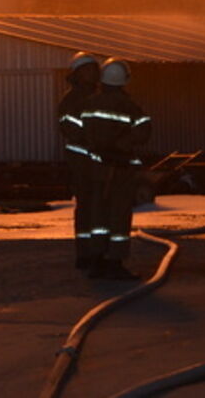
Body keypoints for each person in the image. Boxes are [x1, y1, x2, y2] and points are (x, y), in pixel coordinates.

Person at [79, 57, 151, 280]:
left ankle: (96, 261)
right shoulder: (127, 106)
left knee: (98, 215)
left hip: (97, 169)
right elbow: (144, 131)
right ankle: (115, 262)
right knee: (118, 216)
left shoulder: (90, 104)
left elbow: (83, 133)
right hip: (120, 170)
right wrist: (123, 143)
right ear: (124, 80)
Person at [57, 51, 102, 269]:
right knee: (86, 208)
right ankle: (85, 254)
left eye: (94, 70)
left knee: (101, 209)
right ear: (77, 74)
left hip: (100, 161)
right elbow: (71, 129)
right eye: (87, 70)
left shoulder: (99, 97)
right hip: (82, 163)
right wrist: (94, 138)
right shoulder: (72, 100)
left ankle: (99, 252)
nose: (92, 74)